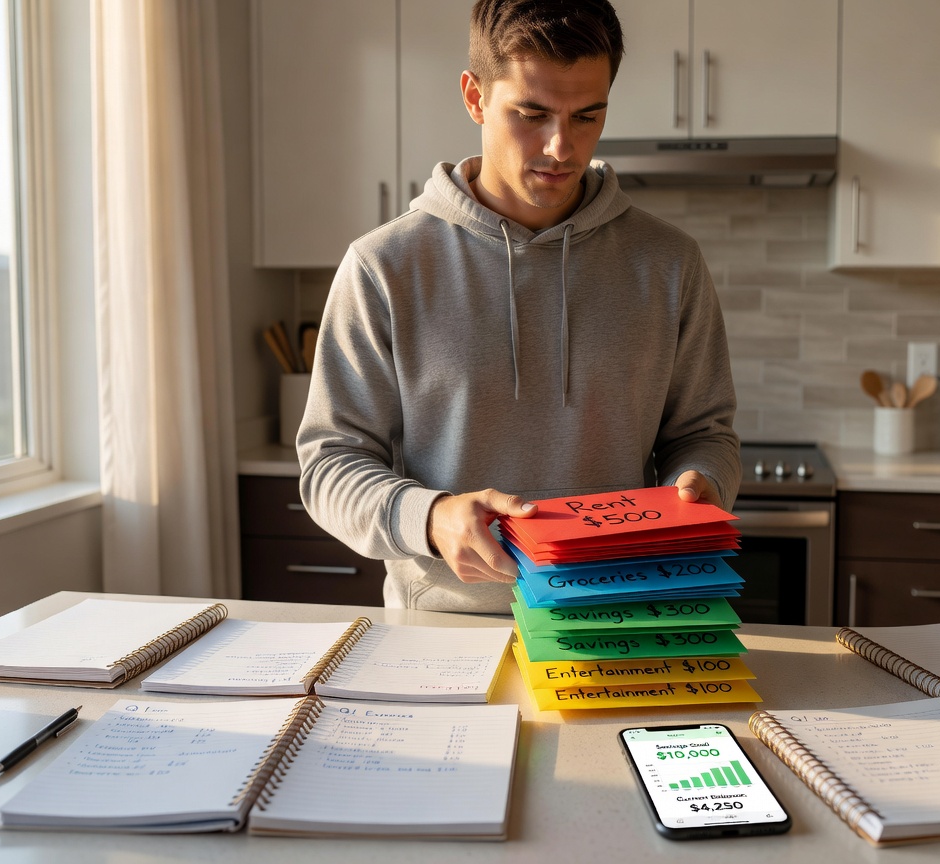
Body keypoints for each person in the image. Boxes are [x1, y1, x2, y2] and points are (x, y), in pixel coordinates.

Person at [297, 0, 740, 614]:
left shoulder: (669, 263)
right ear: (475, 98)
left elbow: (704, 434)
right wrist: (431, 517)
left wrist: (702, 483)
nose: (561, 146)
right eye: (531, 114)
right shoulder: (384, 267)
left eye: (587, 116)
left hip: (620, 623)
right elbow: (330, 465)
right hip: (443, 629)